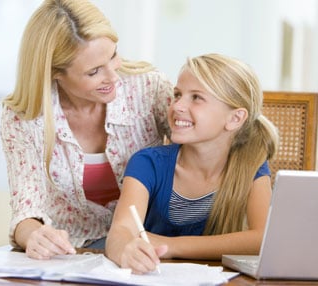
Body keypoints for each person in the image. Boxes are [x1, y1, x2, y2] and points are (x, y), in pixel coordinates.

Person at [0, 0, 173, 260]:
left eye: (113, 55)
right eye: (94, 72)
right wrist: (35, 235)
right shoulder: (25, 116)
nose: (114, 77)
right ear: (55, 72)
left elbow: (202, 147)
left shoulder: (148, 88)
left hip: (150, 245)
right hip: (72, 254)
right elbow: (27, 209)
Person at [105, 53, 279, 274]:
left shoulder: (251, 165)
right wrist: (125, 250)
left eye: (196, 97)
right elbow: (121, 230)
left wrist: (171, 246)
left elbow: (262, 239)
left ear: (235, 118)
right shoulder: (147, 163)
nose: (178, 105)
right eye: (177, 95)